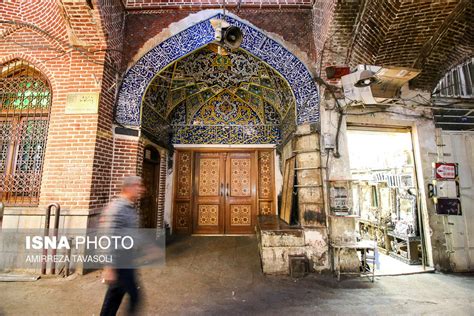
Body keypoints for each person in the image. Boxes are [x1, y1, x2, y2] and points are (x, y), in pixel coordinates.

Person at [100, 176, 145, 316]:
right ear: (128, 188)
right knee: (133, 296)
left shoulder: (130, 206)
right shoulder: (116, 208)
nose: (141, 189)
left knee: (115, 297)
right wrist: (109, 267)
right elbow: (107, 236)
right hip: (119, 260)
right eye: (138, 186)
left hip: (127, 259)